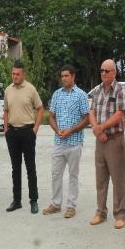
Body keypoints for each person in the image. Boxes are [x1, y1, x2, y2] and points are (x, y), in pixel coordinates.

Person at [43, 65, 90, 218]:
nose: (64, 78)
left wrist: (71, 131)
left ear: (73, 76)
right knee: (56, 174)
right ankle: (56, 204)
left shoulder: (81, 95)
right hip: (59, 141)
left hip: (74, 142)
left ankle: (71, 206)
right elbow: (51, 116)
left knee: (73, 175)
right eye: (62, 76)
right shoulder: (57, 94)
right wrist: (57, 131)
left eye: (66, 76)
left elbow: (86, 119)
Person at [88, 59, 125, 229]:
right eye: (102, 70)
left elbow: (120, 114)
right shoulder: (96, 90)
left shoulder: (120, 90)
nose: (103, 73)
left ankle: (120, 214)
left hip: (114, 140)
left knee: (118, 179)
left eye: (107, 71)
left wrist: (101, 128)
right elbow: (91, 112)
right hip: (100, 141)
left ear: (114, 73)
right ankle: (101, 212)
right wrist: (97, 129)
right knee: (101, 179)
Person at [4, 60, 44, 214]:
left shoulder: (31, 89)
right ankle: (17, 200)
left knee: (30, 168)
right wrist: (6, 129)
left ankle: (33, 200)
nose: (15, 76)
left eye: (17, 74)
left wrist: (35, 129)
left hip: (28, 132)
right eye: (13, 73)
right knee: (15, 168)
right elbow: (6, 110)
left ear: (23, 74)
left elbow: (40, 109)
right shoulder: (8, 90)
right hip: (12, 134)